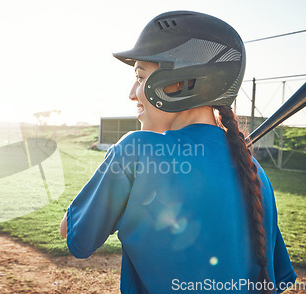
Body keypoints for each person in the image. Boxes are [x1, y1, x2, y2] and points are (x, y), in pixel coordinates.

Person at [60, 10, 297, 294]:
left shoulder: (137, 150)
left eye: (141, 76)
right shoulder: (255, 173)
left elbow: (74, 235)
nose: (132, 92)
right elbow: (278, 279)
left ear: (183, 82)